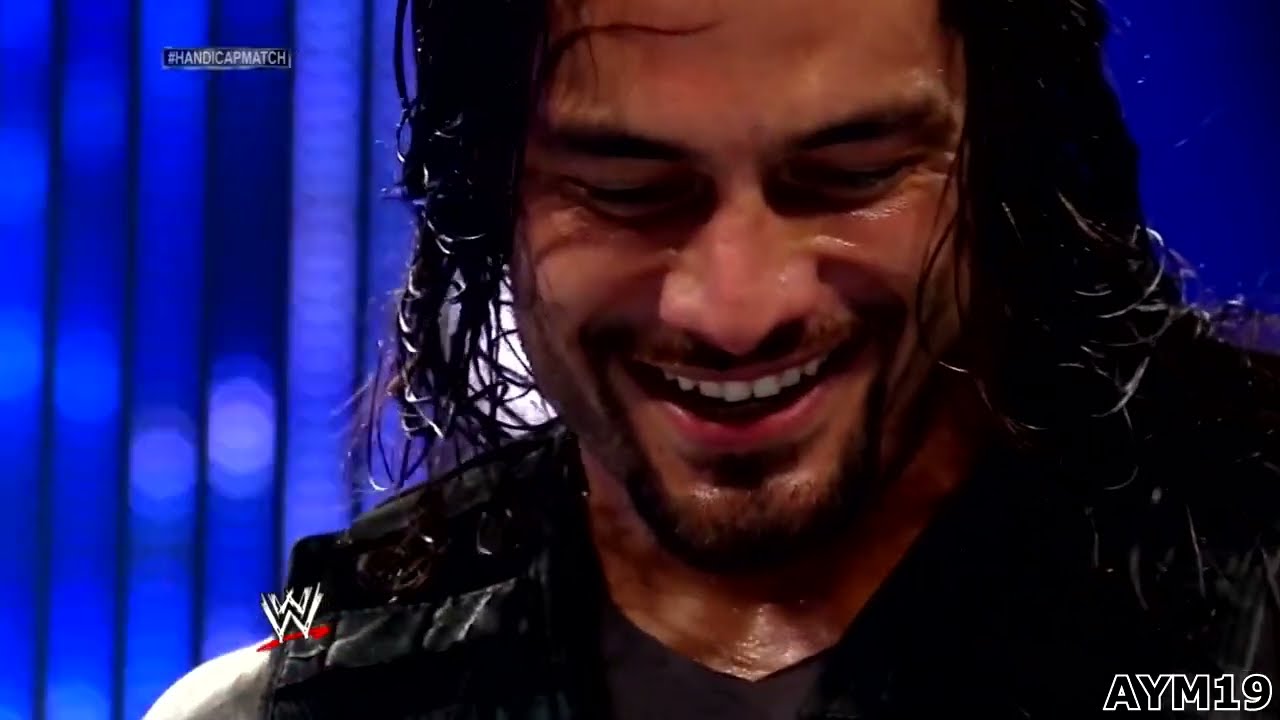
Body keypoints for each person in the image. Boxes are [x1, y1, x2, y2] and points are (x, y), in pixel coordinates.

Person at [146, 0, 1280, 717]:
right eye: (627, 192)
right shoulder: (309, 692)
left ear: (1006, 169)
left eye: (851, 178)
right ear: (487, 201)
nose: (736, 310)